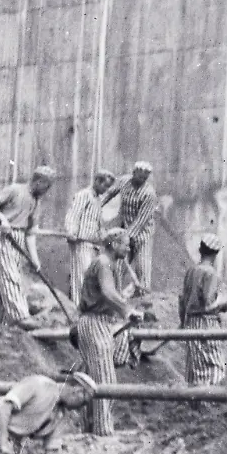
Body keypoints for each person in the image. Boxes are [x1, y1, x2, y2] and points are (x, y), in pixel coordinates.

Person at [76, 228, 143, 435]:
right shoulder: (104, 263)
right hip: (95, 323)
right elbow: (106, 293)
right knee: (105, 381)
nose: (129, 247)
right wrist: (127, 309)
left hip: (99, 322)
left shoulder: (107, 264)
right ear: (114, 244)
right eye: (125, 243)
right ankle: (102, 432)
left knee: (94, 378)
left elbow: (105, 294)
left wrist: (124, 296)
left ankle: (90, 429)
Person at [0, 165, 57, 329]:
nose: (47, 190)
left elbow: (30, 233)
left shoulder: (36, 202)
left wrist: (35, 260)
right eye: (47, 185)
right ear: (39, 181)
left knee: (5, 282)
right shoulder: (15, 190)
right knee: (10, 276)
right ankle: (21, 317)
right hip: (5, 237)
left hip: (19, 238)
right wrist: (3, 219)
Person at [179, 235, 227, 386]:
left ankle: (195, 405)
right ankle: (210, 401)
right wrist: (224, 304)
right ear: (216, 254)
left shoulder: (191, 271)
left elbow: (182, 300)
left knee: (195, 368)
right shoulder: (210, 273)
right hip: (206, 323)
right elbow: (209, 304)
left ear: (200, 250)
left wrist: (182, 322)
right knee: (215, 366)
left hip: (191, 321)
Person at [101, 161, 158, 291]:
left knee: (142, 267)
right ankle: (115, 291)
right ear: (134, 173)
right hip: (125, 229)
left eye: (145, 178)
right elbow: (109, 193)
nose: (142, 180)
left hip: (143, 234)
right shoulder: (124, 181)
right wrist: (98, 205)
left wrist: (125, 238)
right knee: (119, 264)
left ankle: (143, 294)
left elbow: (141, 221)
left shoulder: (149, 194)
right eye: (139, 176)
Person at [64, 169, 116, 305]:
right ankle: (77, 308)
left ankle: (87, 307)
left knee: (90, 277)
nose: (106, 190)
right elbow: (73, 215)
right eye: (105, 186)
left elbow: (98, 222)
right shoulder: (83, 195)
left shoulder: (98, 200)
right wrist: (71, 231)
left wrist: (104, 236)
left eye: (108, 187)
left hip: (93, 244)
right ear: (97, 181)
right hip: (81, 242)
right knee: (81, 276)